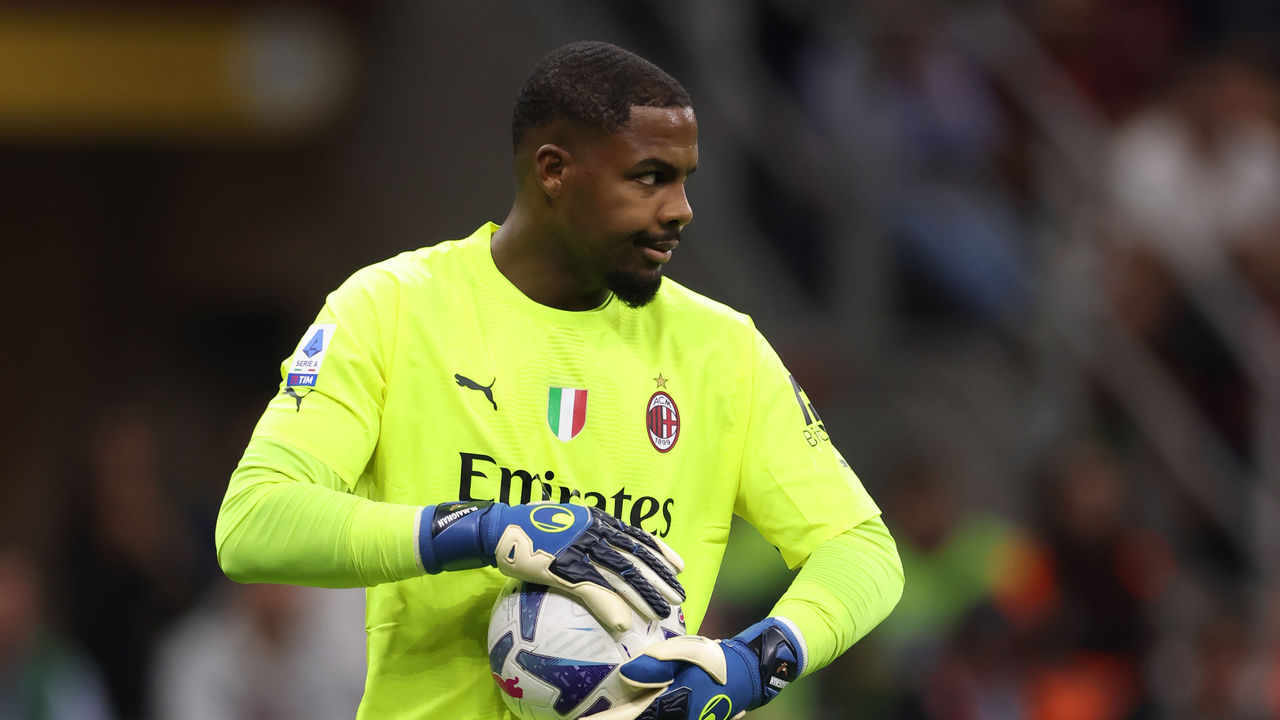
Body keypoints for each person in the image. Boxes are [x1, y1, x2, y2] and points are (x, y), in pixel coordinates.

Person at [215, 40, 903, 719]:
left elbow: (862, 550)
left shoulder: (723, 350)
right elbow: (253, 524)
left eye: (686, 178)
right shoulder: (392, 308)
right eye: (649, 177)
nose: (681, 208)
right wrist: (482, 529)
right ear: (553, 170)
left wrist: (760, 662)